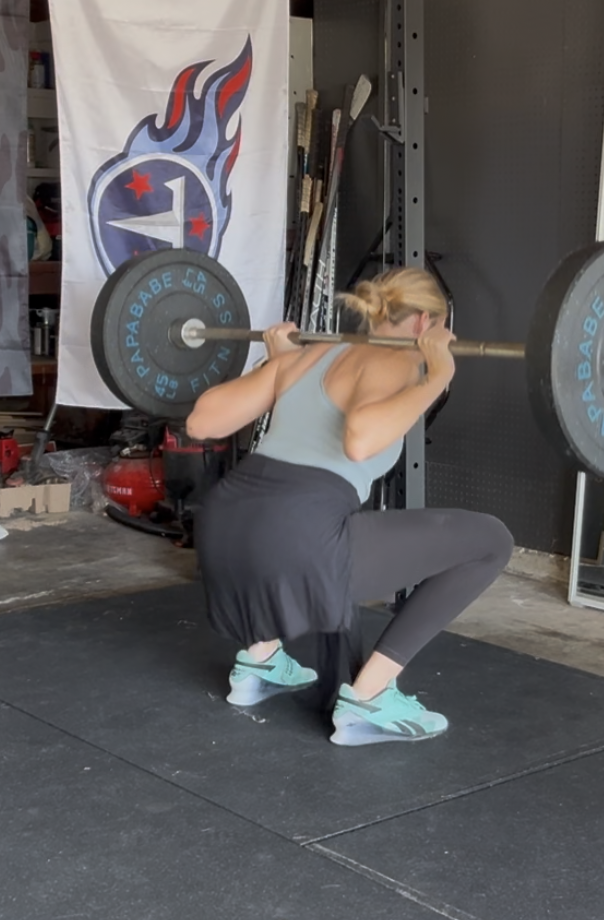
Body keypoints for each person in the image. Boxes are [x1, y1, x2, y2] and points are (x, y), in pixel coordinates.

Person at [187, 268, 513, 744]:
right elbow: (360, 441)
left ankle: (259, 662)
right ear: (424, 322)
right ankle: (370, 696)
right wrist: (439, 374)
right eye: (444, 326)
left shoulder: (307, 357)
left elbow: (200, 422)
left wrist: (277, 368)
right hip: (294, 539)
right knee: (491, 541)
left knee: (310, 528)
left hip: (222, 533)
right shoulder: (400, 363)